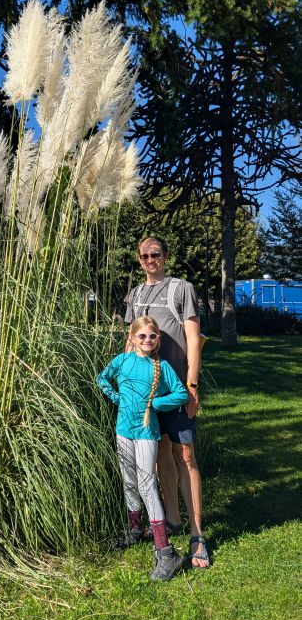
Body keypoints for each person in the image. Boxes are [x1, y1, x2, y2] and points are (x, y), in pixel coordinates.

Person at [124, 236, 210, 569]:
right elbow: (130, 342)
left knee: (185, 454)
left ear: (166, 256)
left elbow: (193, 340)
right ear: (139, 259)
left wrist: (192, 384)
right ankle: (172, 521)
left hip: (177, 390)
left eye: (156, 254)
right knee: (161, 454)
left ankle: (197, 535)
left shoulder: (181, 289)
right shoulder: (135, 295)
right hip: (147, 395)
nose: (150, 260)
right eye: (145, 256)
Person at [96, 316, 189, 581]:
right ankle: (135, 530)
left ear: (158, 339)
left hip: (147, 432)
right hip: (123, 430)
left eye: (152, 336)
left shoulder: (161, 366)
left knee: (147, 485)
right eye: (142, 336)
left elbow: (181, 393)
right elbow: (102, 378)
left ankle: (166, 552)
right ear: (132, 337)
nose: (147, 340)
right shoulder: (122, 361)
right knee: (129, 481)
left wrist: (157, 404)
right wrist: (115, 397)